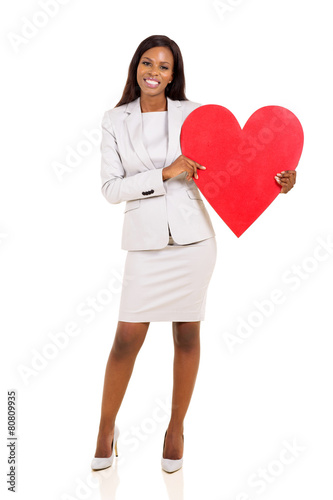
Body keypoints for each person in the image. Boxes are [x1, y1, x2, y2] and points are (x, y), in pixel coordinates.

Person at [91, 35, 296, 474]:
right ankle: (105, 429)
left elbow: (233, 170)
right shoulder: (114, 120)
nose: (155, 72)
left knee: (187, 335)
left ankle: (175, 429)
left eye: (164, 67)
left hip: (194, 243)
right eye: (148, 63)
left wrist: (275, 180)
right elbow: (110, 189)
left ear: (173, 74)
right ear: (135, 67)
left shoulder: (194, 115)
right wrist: (164, 173)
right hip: (144, 244)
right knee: (127, 338)